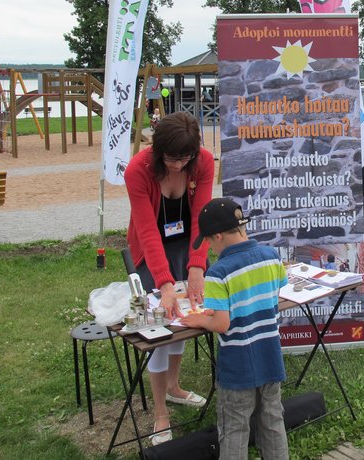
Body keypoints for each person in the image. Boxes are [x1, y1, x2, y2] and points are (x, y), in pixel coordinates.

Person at [124, 111, 214, 445]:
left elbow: (201, 217)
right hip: (151, 252)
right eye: (172, 159)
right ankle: (160, 412)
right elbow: (146, 230)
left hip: (183, 245)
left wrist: (196, 266)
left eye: (184, 158)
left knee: (184, 320)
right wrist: (163, 283)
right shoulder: (138, 169)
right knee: (159, 325)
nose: (178, 166)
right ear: (159, 150)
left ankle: (175, 387)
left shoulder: (202, 161)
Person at [182, 198, 289, 459]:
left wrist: (199, 320)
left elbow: (221, 323)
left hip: (238, 366)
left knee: (234, 427)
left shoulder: (218, 272)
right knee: (273, 420)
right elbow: (278, 289)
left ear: (217, 236)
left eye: (208, 242)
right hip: (270, 358)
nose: (208, 248)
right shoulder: (271, 257)